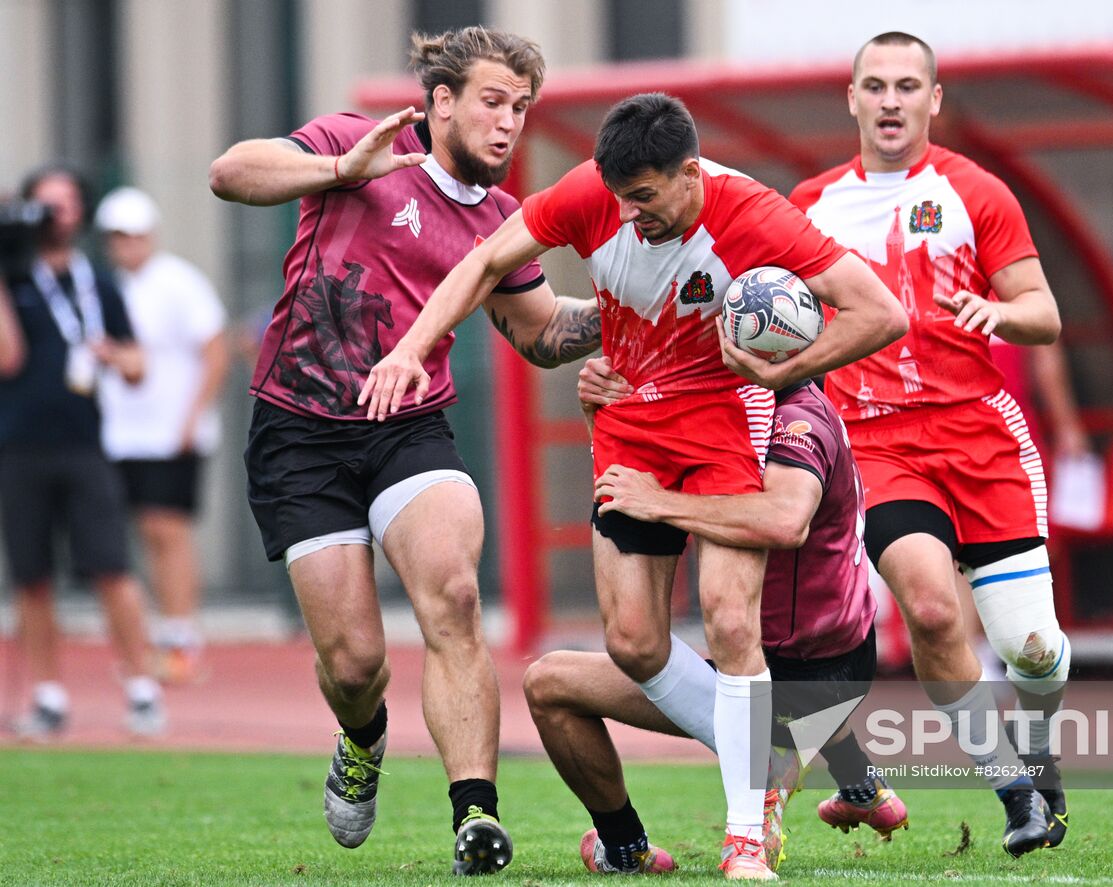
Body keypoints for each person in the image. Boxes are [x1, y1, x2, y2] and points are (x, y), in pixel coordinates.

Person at [362, 93, 905, 879]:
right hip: (629, 426)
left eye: (645, 197)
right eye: (619, 197)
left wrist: (782, 371)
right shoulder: (592, 192)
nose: (628, 214)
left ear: (690, 173)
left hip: (724, 423)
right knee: (634, 642)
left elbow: (879, 312)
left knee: (728, 617)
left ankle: (745, 838)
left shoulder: (754, 214)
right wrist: (413, 346)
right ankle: (772, 742)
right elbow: (483, 262)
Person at [208, 27, 600, 875]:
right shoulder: (361, 143)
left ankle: (476, 816)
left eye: (521, 109)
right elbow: (230, 173)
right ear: (442, 102)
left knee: (454, 594)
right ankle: (362, 736)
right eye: (493, 102)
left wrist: (633, 307)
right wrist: (337, 173)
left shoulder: (501, 221)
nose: (508, 124)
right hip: (299, 431)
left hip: (411, 428)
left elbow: (538, 335)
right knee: (354, 664)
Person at [789, 32, 1070, 857]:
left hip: (981, 436)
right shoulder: (808, 204)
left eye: (907, 86)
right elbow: (767, 307)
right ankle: (1015, 792)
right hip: (874, 443)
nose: (889, 101)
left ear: (933, 100)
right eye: (874, 86)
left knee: (1032, 650)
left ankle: (1042, 751)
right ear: (850, 97)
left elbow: (1045, 313)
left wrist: (999, 313)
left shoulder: (975, 191)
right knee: (934, 605)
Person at [521, 357, 907, 875]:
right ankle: (628, 848)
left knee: (759, 736)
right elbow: (633, 493)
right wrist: (606, 417)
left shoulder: (795, 422)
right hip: (784, 663)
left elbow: (784, 520)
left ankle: (798, 767)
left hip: (807, 672)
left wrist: (662, 501)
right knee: (549, 683)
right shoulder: (738, 407)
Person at [0, 165, 165, 740]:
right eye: (43, 205)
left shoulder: (98, 280)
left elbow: (139, 366)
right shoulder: (13, 276)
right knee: (33, 576)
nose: (56, 215)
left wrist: (113, 357)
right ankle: (47, 695)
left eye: (66, 203)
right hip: (18, 446)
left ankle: (142, 689)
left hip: (86, 445)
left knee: (112, 568)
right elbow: (8, 359)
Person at [95, 186, 229, 684]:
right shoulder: (106, 288)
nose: (125, 245)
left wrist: (193, 418)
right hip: (120, 434)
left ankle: (181, 639)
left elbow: (214, 351)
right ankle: (151, 640)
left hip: (170, 433)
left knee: (167, 532)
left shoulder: (178, 282)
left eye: (132, 235)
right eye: (116, 236)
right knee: (135, 535)